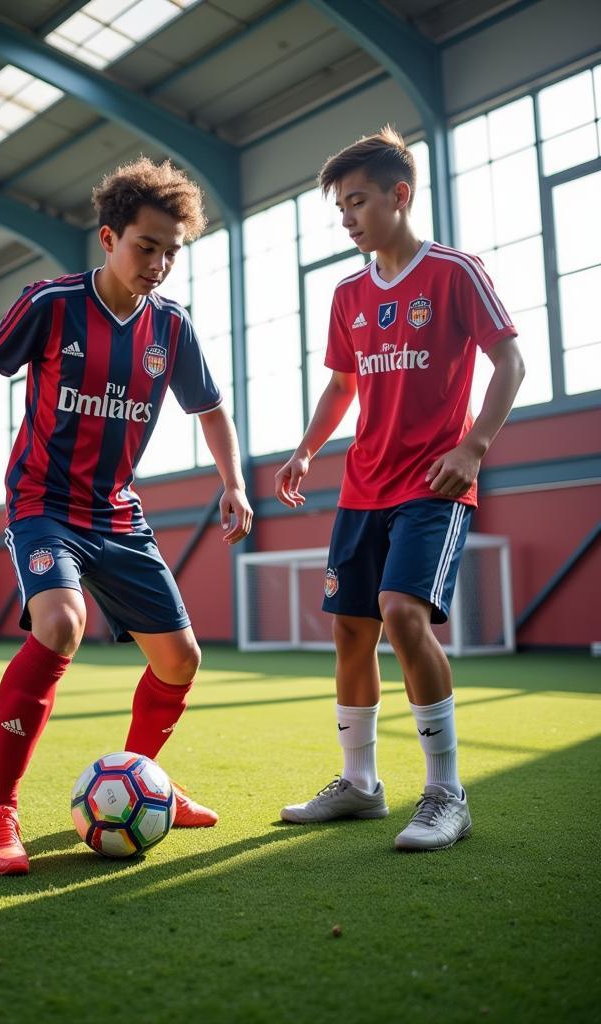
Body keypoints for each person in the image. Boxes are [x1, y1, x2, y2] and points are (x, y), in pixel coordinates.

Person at [0, 157, 253, 876]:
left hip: (118, 514)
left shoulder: (172, 328)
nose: (158, 264)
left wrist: (234, 482)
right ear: (109, 237)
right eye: (146, 246)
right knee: (62, 623)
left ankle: (144, 781)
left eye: (171, 251)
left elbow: (211, 409)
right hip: (43, 505)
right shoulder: (51, 304)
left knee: (180, 659)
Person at [274, 126, 524, 851]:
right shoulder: (348, 293)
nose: (347, 217)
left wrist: (472, 447)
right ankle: (361, 784)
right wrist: (306, 449)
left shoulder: (455, 272)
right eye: (340, 207)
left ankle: (447, 793)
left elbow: (509, 363)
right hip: (361, 488)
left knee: (401, 614)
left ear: (399, 195)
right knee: (352, 631)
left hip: (432, 485)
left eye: (357, 202)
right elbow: (343, 383)